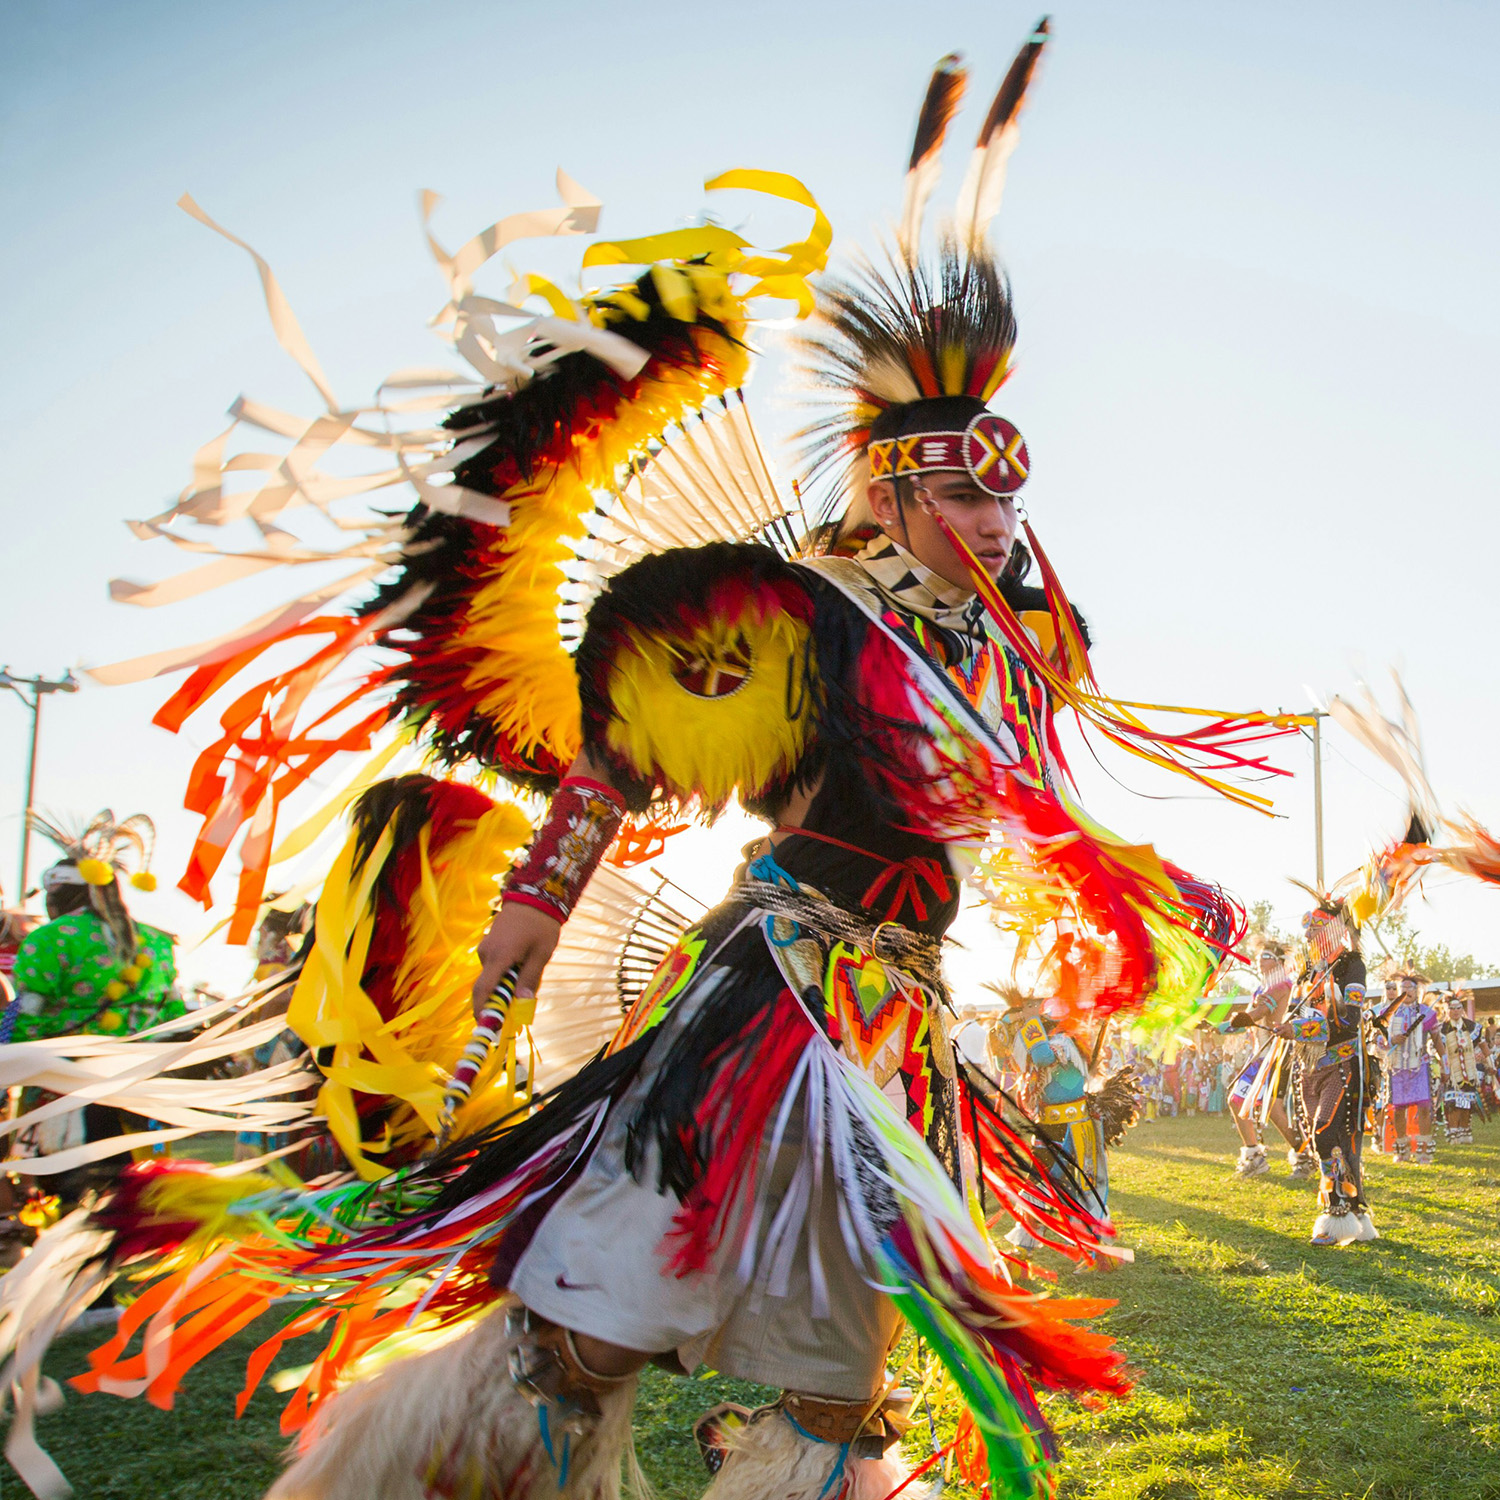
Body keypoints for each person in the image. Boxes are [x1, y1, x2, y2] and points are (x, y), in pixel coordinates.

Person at [987, 992, 1137, 1259]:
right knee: (1037, 1186)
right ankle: (1023, 1250)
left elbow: (1043, 1056)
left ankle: (1097, 1252)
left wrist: (1029, 1022)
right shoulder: (1043, 1041)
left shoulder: (1066, 1042)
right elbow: (1008, 1064)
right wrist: (1001, 1041)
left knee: (1086, 1188)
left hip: (1076, 1127)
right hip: (1050, 1126)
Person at [1272, 906, 1376, 1245]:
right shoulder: (1306, 973)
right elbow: (1295, 1013)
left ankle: (1337, 1217)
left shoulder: (1351, 966)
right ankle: (1358, 1211)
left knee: (1325, 1134)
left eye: (1313, 931)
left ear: (1331, 931)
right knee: (1334, 1143)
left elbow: (1349, 1020)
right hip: (1308, 1068)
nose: (1306, 937)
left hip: (1341, 1065)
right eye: (1305, 931)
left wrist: (1300, 1028)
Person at [1222, 946, 1314, 1178]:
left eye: (1266, 957)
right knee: (1239, 1100)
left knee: (1270, 1107)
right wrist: (1219, 1026)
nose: (1259, 960)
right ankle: (1255, 1155)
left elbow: (1262, 1011)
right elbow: (1249, 1017)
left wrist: (1241, 1019)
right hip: (1261, 1054)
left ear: (1279, 962)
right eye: (1259, 956)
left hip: (1277, 1053)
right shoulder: (1263, 987)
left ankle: (1302, 1156)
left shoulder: (1283, 985)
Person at [1384, 974, 1439, 1163]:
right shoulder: (1387, 1012)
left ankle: (1424, 1151)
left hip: (1419, 1065)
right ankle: (1402, 1150)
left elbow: (1437, 1040)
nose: (1407, 991)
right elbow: (1377, 1039)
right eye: (1403, 988)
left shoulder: (1427, 1013)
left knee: (1424, 1106)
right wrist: (1391, 1040)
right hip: (1397, 1067)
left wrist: (1446, 1064)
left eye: (1411, 988)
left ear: (1417, 991)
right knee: (1399, 1109)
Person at [1435, 992, 1483, 1144]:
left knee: (1467, 1102)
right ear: (1447, 1010)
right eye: (1452, 1008)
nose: (1455, 1011)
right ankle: (1453, 1132)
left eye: (1458, 1008)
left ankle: (1465, 1131)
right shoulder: (1441, 1029)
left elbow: (1481, 1045)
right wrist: (1444, 1069)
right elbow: (1438, 1050)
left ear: (1462, 1009)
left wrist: (1488, 1061)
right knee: (1453, 1103)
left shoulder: (1472, 1027)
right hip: (1451, 1071)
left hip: (1468, 1071)